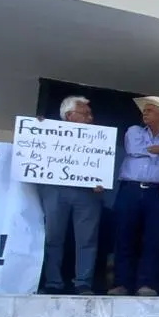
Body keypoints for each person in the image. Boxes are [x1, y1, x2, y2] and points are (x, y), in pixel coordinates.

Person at [109, 95, 159, 297]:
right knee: (124, 236)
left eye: (150, 110)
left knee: (154, 239)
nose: (145, 113)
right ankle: (121, 283)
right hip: (130, 189)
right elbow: (136, 150)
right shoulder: (134, 131)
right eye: (145, 110)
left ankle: (147, 283)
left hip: (157, 192)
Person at [39, 96, 101, 295]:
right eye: (85, 114)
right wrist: (37, 128)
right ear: (69, 115)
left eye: (90, 114)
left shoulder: (99, 137)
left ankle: (83, 282)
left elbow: (104, 164)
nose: (90, 118)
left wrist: (102, 181)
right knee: (52, 237)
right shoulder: (48, 132)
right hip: (55, 190)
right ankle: (53, 281)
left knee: (87, 239)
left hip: (87, 193)